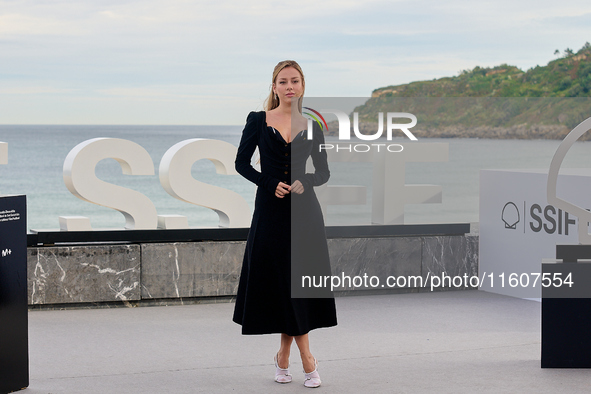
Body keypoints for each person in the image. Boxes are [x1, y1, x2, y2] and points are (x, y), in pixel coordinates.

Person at [232, 60, 337, 388]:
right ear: (274, 87)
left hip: (305, 215)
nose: (289, 86)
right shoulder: (258, 121)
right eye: (283, 81)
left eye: (295, 81)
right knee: (282, 284)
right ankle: (307, 359)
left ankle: (287, 356)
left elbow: (323, 172)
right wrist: (267, 182)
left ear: (302, 86)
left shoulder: (312, 126)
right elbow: (240, 163)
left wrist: (306, 180)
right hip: (271, 214)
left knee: (298, 286)